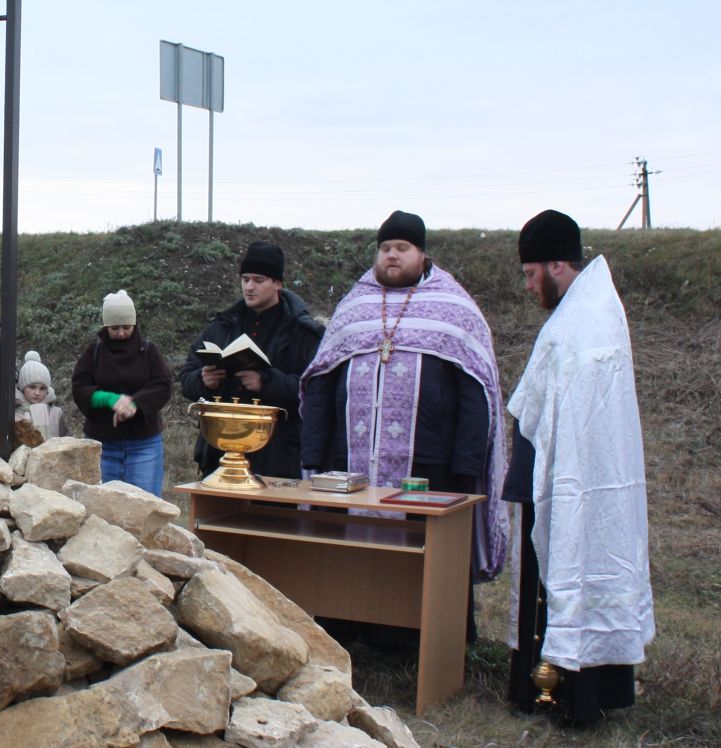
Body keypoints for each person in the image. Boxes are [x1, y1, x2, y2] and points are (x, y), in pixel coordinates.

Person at [505, 210, 655, 725]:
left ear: (556, 265)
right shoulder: (584, 311)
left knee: (572, 568)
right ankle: (550, 689)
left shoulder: (585, 322)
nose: (528, 286)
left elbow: (574, 412)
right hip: (559, 469)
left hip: (577, 477)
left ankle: (568, 696)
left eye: (530, 274)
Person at [300, 211, 506, 566]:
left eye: (402, 247)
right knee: (350, 567)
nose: (391, 255)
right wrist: (314, 458)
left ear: (422, 254)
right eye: (385, 248)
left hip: (430, 469)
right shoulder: (355, 307)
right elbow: (321, 381)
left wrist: (465, 468)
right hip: (349, 466)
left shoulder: (455, 309)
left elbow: (476, 393)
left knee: (429, 567)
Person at [177, 240, 324, 482]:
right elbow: (186, 379)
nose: (249, 287)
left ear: (277, 283)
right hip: (220, 455)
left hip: (278, 457)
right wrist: (204, 381)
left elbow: (315, 390)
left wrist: (267, 382)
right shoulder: (221, 326)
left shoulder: (303, 334)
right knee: (217, 521)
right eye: (245, 279)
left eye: (258, 280)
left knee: (269, 520)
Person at [70, 291, 173, 495]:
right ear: (105, 326)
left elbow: (163, 385)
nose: (121, 333)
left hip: (144, 445)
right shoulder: (94, 353)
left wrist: (134, 405)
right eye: (114, 328)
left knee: (146, 508)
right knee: (101, 510)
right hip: (101, 445)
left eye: (126, 327)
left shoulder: (149, 351)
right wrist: (111, 400)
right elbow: (80, 388)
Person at [15, 351, 68, 440]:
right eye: (32, 387)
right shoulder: (12, 412)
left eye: (42, 388)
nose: (37, 393)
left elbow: (67, 442)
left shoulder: (56, 413)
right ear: (22, 387)